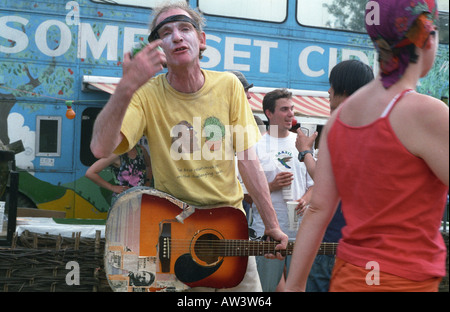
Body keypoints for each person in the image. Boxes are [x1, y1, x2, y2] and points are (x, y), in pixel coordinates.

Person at [90, 2, 288, 292]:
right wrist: (125, 88)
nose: (178, 37)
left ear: (202, 40)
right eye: (166, 33)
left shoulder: (230, 86)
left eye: (185, 29)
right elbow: (100, 148)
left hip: (230, 231)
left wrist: (271, 224)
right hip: (174, 239)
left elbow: (248, 161)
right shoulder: (146, 95)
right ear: (160, 50)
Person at [285, 0, 448, 292]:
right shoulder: (427, 113)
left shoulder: (339, 119)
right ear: (426, 35)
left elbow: (318, 210)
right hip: (402, 282)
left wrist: (295, 286)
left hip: (351, 276)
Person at [295, 60, 374, 292]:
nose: (328, 91)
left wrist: (305, 152)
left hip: (332, 244)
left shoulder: (345, 127)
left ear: (345, 89)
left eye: (332, 85)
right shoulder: (376, 128)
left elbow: (325, 181)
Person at [250, 88, 314, 292]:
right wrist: (271, 186)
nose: (291, 114)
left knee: (297, 288)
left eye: (292, 109)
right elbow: (245, 196)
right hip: (267, 234)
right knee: (266, 290)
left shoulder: (301, 145)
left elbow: (315, 185)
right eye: (284, 109)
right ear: (269, 113)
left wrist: (305, 199)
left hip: (300, 233)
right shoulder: (256, 146)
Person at [85, 144, 152, 203]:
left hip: (142, 199)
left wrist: (148, 181)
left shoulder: (140, 149)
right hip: (122, 202)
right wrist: (112, 187)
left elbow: (149, 166)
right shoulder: (117, 153)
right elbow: (90, 173)